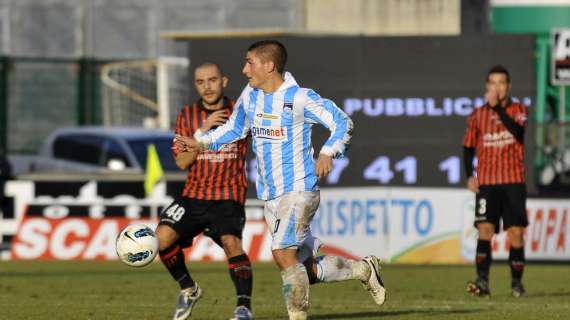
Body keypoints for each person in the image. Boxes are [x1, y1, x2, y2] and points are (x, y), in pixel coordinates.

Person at [177, 40, 386, 320]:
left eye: (249, 62)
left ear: (269, 65)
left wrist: (327, 153)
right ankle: (363, 269)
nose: (244, 70)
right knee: (304, 269)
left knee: (282, 253)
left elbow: (342, 122)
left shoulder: (300, 98)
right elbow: (234, 128)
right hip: (271, 195)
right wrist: (200, 143)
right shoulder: (250, 95)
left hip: (300, 189)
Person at [155, 62, 254, 320]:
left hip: (228, 195)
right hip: (193, 195)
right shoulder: (186, 116)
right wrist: (202, 132)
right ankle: (189, 289)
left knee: (232, 244)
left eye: (212, 80)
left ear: (224, 81)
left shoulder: (241, 112)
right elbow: (182, 162)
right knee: (161, 239)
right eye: (201, 82)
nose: (207, 86)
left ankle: (243, 308)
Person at [463, 65, 529, 298]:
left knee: (516, 233)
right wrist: (469, 175)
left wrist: (498, 109)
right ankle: (482, 282)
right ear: (487, 86)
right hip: (488, 183)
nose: (497, 87)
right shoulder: (477, 115)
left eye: (502, 83)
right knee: (485, 229)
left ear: (508, 86)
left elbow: (517, 133)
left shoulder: (519, 109)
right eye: (493, 83)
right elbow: (468, 147)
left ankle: (516, 284)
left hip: (513, 181)